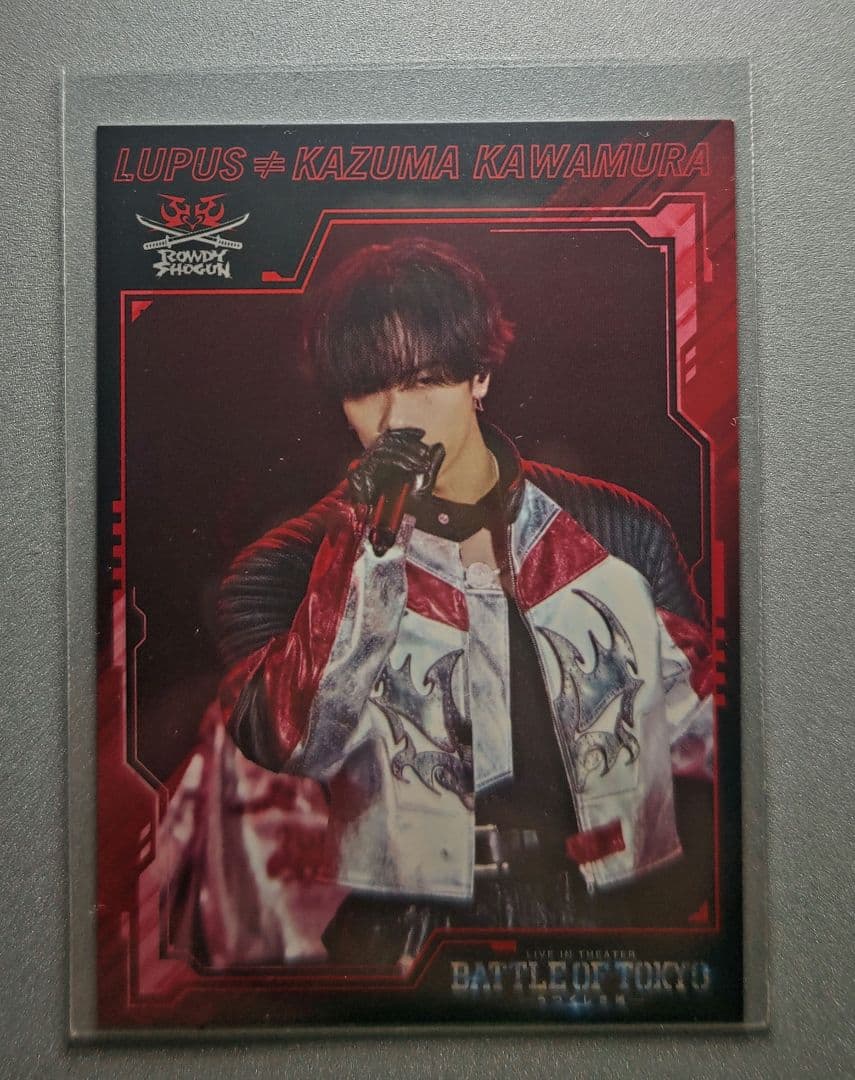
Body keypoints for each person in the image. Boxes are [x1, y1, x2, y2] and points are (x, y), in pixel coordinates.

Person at [160, 236, 714, 969]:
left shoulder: (616, 531)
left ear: (478, 375)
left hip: (611, 914)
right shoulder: (281, 568)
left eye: (422, 381)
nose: (396, 418)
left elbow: (701, 733)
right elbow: (297, 744)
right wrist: (371, 549)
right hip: (403, 935)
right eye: (367, 389)